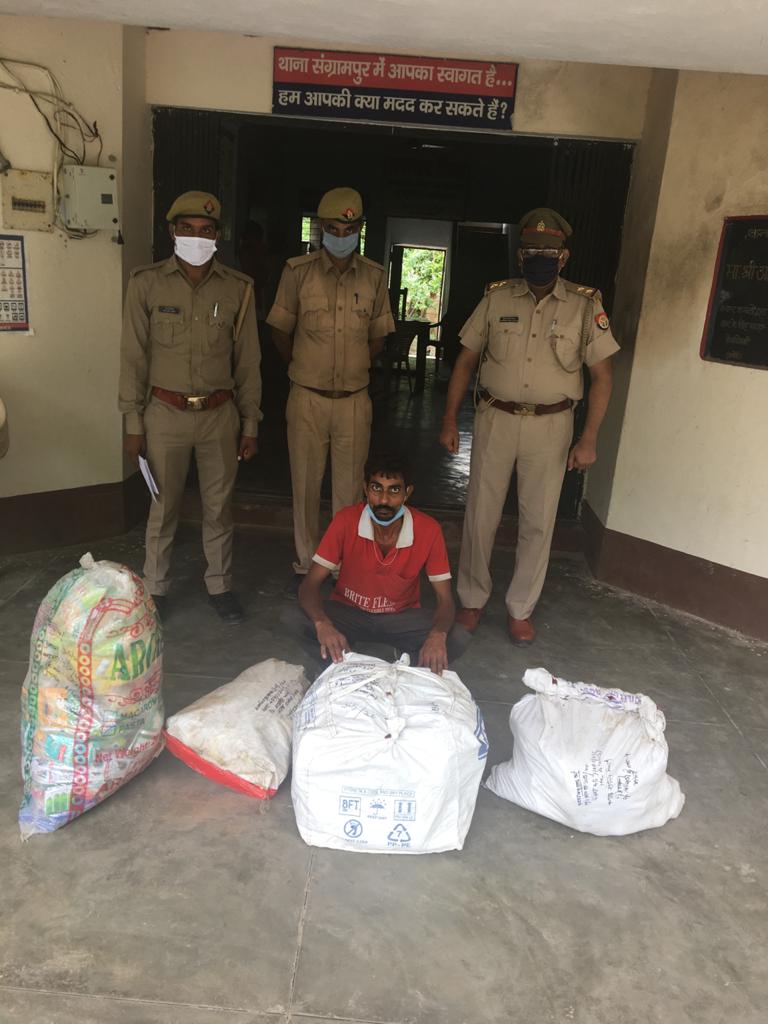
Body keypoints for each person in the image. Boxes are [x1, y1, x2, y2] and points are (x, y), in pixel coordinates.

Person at [440, 207, 619, 646]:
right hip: (495, 418)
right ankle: (472, 600)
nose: (539, 258)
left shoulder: (585, 306)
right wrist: (449, 419)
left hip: (551, 425)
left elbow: (602, 376)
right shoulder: (496, 298)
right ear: (520, 255)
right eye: (531, 250)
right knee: (480, 514)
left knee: (538, 520)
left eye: (549, 252)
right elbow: (465, 361)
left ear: (564, 257)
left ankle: (520, 608)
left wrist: (589, 438)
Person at [119, 190, 262, 624]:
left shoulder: (238, 288)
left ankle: (219, 585)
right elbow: (133, 357)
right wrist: (133, 421)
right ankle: (155, 587)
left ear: (217, 235)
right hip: (164, 414)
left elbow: (248, 361)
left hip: (220, 415)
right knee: (162, 506)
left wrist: (250, 424)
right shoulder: (146, 283)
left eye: (205, 230)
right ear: (172, 231)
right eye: (187, 228)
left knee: (219, 507)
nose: (196, 237)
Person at [266, 187, 395, 575]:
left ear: (360, 228)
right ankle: (307, 564)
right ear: (321, 228)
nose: (342, 236)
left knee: (350, 491)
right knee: (305, 486)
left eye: (350, 229)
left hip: (354, 400)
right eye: (334, 229)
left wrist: (352, 366)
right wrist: (305, 366)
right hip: (307, 397)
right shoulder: (297, 272)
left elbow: (377, 338)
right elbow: (280, 331)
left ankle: (342, 568)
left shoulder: (374, 277)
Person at [283, 452, 471, 674]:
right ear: (365, 489)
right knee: (293, 617)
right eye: (376, 488)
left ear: (408, 492)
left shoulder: (428, 530)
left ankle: (407, 675)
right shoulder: (346, 521)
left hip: (400, 618)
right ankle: (343, 670)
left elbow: (445, 600)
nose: (384, 500)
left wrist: (437, 635)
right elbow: (309, 585)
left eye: (394, 490)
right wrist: (322, 624)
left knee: (457, 637)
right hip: (349, 613)